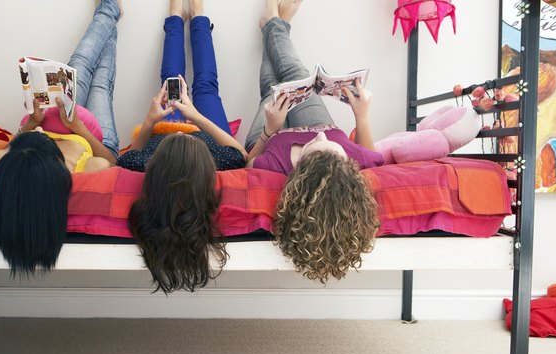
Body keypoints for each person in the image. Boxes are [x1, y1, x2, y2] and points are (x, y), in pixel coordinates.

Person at [245, 0, 382, 284]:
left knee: (269, 93)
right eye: (332, 147)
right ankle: (275, 24)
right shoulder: (349, 160)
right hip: (317, 123)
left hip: (273, 135)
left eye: (314, 145)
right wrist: (362, 115)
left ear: (300, 175)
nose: (318, 136)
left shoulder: (274, 162)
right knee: (296, 76)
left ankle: (274, 21)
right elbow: (371, 154)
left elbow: (248, 164)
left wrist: (270, 130)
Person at [0, 0, 123, 277]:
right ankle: (109, 12)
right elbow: (111, 160)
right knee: (101, 83)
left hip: (56, 115)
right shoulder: (86, 170)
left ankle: (108, 10)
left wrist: (34, 123)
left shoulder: (9, 160)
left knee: (79, 65)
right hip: (90, 133)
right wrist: (79, 128)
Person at [124, 0, 246, 294]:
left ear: (157, 169)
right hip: (199, 123)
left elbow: (127, 157)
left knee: (169, 81)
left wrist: (151, 121)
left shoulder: (144, 161)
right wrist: (194, 117)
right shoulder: (216, 157)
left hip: (164, 123)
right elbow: (240, 155)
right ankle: (198, 17)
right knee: (205, 86)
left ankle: (176, 17)